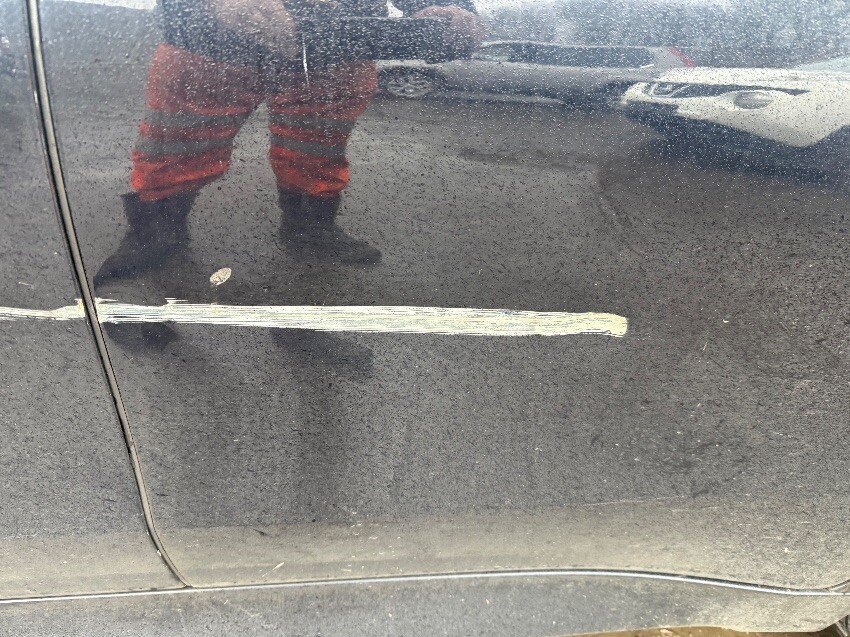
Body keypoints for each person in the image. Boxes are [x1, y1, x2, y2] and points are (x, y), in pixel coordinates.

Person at [94, 0, 481, 286]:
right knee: (179, 144)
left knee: (317, 149)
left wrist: (451, 8)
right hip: (212, 40)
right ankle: (155, 231)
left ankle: (310, 228)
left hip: (336, 45)